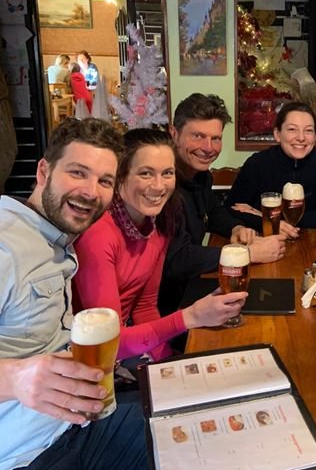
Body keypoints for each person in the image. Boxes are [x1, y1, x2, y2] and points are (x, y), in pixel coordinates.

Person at [0, 117, 206, 470]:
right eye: (78, 172)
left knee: (216, 454)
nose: (90, 191)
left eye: (104, 180)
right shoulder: (5, 244)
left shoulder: (59, 240)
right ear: (43, 171)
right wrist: (13, 378)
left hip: (80, 427)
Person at [73, 128, 247, 362]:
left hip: (131, 347)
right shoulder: (97, 235)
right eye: (145, 173)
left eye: (167, 173)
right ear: (120, 176)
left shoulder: (159, 222)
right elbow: (108, 343)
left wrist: (167, 362)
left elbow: (145, 307)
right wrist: (191, 317)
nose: (159, 186)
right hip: (95, 362)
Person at [159, 93, 285, 315]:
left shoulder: (200, 175)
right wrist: (246, 254)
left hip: (190, 289)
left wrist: (235, 228)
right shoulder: (161, 183)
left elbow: (214, 210)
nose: (208, 147)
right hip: (167, 306)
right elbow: (176, 259)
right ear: (174, 133)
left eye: (215, 138)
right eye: (198, 136)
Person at [227, 101, 316, 237]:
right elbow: (233, 209)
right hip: (265, 241)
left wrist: (266, 217)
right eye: (292, 129)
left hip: (309, 241)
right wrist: (265, 223)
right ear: (277, 134)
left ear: (314, 136)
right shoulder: (257, 163)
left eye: (308, 130)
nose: (301, 138)